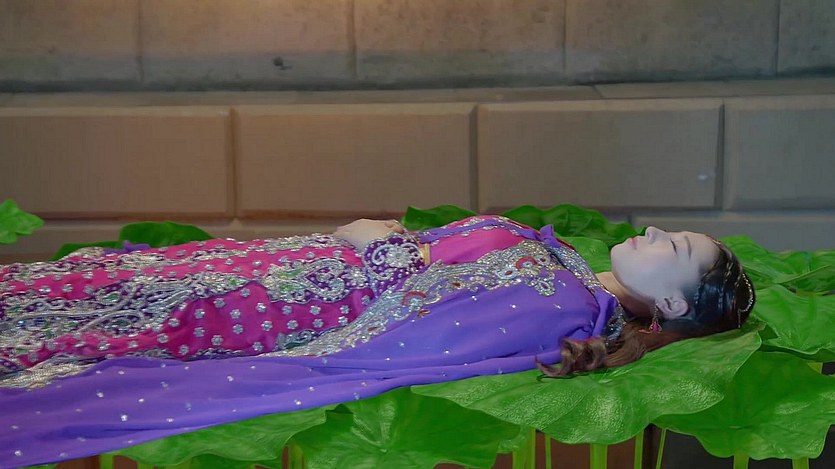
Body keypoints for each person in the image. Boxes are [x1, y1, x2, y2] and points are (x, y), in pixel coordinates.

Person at [0, 214, 754, 467]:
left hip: (289, 304)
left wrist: (385, 247)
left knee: (119, 307)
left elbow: (413, 329)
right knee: (107, 285)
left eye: (674, 245)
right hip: (296, 266)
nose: (653, 229)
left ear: (670, 302)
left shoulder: (562, 303)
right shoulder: (565, 270)